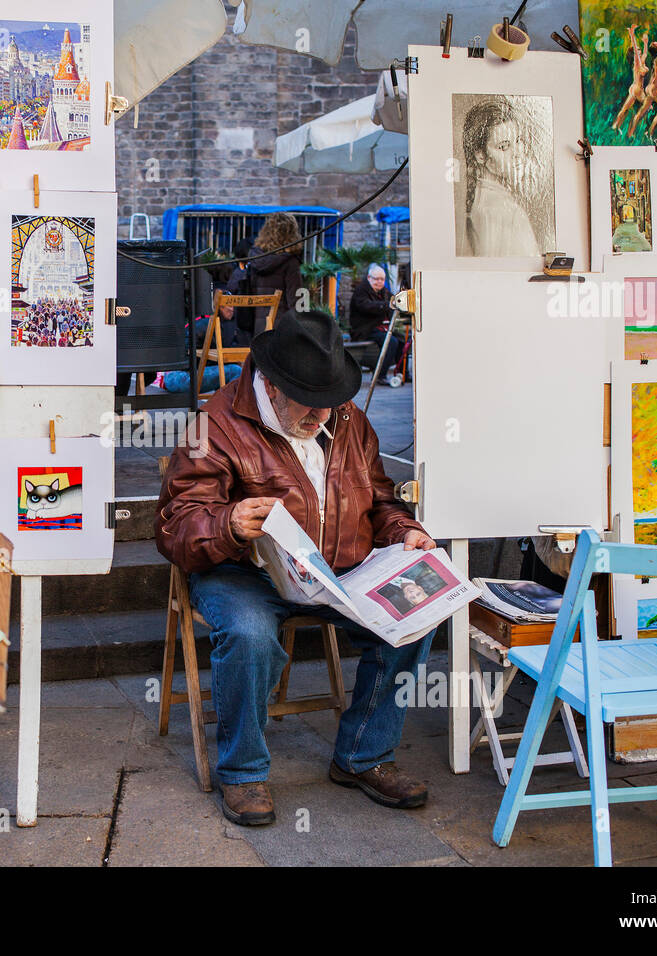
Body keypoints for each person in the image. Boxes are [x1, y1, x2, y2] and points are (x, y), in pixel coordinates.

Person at [155, 309, 438, 827]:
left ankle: (363, 755)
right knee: (248, 631)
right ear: (273, 385)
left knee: (416, 615)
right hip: (243, 572)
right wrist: (228, 523)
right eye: (311, 404)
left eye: (331, 402)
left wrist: (403, 532)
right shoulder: (214, 424)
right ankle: (242, 772)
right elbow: (175, 524)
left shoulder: (348, 418)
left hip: (338, 570)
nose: (323, 416)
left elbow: (379, 500)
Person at [460, 98, 540, 257]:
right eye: (503, 147)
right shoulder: (506, 211)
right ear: (480, 155)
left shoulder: (482, 199)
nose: (518, 153)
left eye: (518, 141)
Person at [231, 213, 303, 341]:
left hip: (256, 329)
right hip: (282, 330)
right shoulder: (291, 262)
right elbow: (296, 300)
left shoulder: (254, 258)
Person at [348, 263, 403, 380]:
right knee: (391, 342)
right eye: (376, 279)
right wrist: (386, 305)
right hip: (365, 330)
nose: (379, 282)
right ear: (369, 278)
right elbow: (366, 306)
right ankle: (380, 376)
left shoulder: (384, 291)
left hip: (381, 328)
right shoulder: (361, 290)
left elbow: (394, 301)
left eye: (382, 279)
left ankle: (402, 374)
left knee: (403, 340)